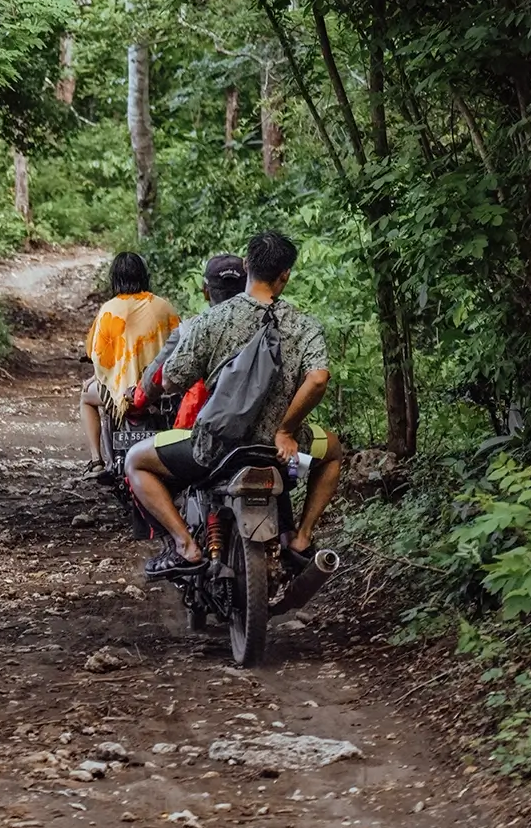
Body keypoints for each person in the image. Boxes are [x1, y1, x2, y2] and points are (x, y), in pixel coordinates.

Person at [125, 231, 342, 581]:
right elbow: (318, 378)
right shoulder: (304, 325)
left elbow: (169, 380)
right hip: (278, 450)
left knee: (136, 460)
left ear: (246, 266)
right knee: (333, 451)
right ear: (285, 275)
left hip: (213, 448)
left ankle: (185, 546)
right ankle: (301, 540)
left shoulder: (211, 320)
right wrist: (286, 430)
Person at [80, 252, 179, 475]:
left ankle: (96, 461)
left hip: (120, 395)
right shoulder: (164, 307)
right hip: (158, 392)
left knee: (86, 397)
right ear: (145, 276)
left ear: (114, 278)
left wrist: (96, 378)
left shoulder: (108, 310)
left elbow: (98, 357)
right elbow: (181, 345)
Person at [134, 253, 248, 428]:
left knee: (136, 456)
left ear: (205, 291)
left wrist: (140, 397)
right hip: (260, 431)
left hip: (203, 432)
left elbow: (157, 378)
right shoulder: (268, 323)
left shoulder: (190, 328)